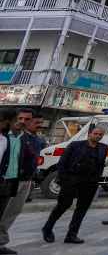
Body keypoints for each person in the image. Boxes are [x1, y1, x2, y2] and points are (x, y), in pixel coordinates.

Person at [42, 126, 108, 244]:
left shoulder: (103, 148)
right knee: (62, 206)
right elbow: (62, 163)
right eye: (96, 133)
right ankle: (47, 228)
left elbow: (101, 165)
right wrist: (64, 180)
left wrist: (97, 180)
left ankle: (72, 235)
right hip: (71, 181)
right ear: (90, 133)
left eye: (100, 134)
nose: (98, 136)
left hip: (90, 183)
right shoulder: (75, 145)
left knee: (82, 209)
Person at [0, 108, 38, 253]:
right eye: (20, 118)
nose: (22, 122)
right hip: (3, 179)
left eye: (27, 119)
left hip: (21, 180)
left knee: (11, 213)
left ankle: (1, 243)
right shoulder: (4, 135)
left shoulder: (30, 138)